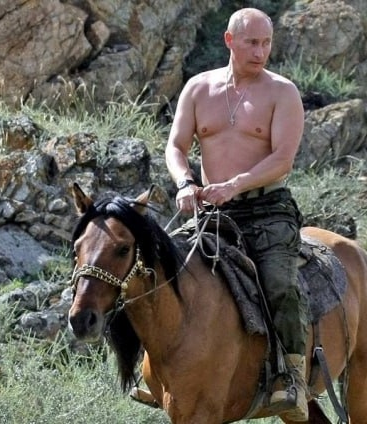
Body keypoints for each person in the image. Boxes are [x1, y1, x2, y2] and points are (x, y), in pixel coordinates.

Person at [165, 7, 309, 421]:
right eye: (252, 43)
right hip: (213, 212)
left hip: (267, 210)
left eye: (266, 43)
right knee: (160, 270)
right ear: (229, 40)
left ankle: (292, 378)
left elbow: (282, 159)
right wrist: (185, 183)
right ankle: (153, 370)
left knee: (279, 284)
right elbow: (176, 146)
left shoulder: (282, 92)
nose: (261, 52)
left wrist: (235, 184)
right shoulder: (198, 88)